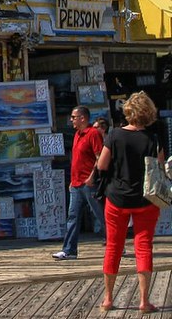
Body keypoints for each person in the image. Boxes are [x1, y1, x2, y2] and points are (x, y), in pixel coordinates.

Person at [97, 91, 164, 313]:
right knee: (143, 247)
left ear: (128, 111)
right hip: (145, 199)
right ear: (148, 112)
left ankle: (107, 299)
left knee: (114, 247)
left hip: (117, 198)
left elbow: (102, 166)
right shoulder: (153, 139)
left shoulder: (115, 135)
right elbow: (160, 169)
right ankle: (144, 301)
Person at [52, 105, 106, 260]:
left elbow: (99, 157)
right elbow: (76, 160)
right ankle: (69, 250)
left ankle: (115, 244)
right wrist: (71, 180)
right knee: (73, 216)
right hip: (76, 184)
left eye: (74, 117)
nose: (71, 120)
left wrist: (91, 177)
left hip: (89, 183)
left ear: (83, 118)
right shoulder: (77, 134)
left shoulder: (93, 133)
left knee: (101, 215)